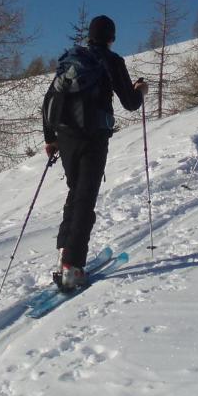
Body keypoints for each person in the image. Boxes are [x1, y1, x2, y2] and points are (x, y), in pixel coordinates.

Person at [43, 15, 147, 290]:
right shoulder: (112, 62)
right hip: (93, 137)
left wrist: (50, 138)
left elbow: (50, 97)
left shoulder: (72, 58)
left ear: (90, 36)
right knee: (85, 198)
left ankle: (63, 253)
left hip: (65, 135)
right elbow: (130, 103)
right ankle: (72, 267)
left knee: (75, 191)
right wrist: (140, 91)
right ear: (111, 37)